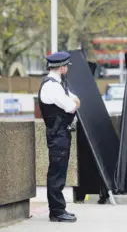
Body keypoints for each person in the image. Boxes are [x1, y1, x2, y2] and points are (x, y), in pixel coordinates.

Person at [38, 51, 81, 222]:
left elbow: (74, 101)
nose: (67, 69)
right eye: (66, 66)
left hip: (60, 133)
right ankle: (56, 211)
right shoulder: (52, 86)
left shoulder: (58, 84)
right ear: (62, 67)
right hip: (57, 134)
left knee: (59, 171)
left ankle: (58, 209)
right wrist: (74, 103)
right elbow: (72, 105)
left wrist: (74, 103)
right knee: (56, 173)